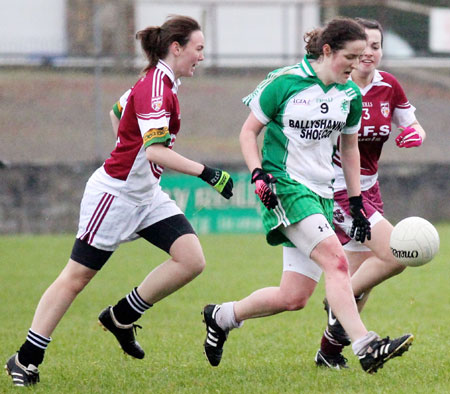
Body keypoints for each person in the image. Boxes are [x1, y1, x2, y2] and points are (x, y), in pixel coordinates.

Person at [5, 15, 234, 387]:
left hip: (145, 196)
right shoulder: (156, 87)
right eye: (199, 49)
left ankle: (121, 315)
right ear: (177, 48)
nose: (202, 57)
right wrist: (206, 172)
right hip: (115, 197)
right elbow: (156, 152)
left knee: (191, 259)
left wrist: (130, 152)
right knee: (76, 277)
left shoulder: (163, 82)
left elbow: (117, 113)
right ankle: (25, 358)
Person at [202, 17, 413, 374]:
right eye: (351, 56)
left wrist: (358, 204)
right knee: (337, 262)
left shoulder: (349, 96)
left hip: (323, 194)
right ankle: (366, 345)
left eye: (363, 55)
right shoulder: (285, 82)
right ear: (328, 51)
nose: (357, 63)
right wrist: (258, 174)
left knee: (293, 297)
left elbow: (349, 150)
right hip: (285, 187)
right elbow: (247, 132)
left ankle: (221, 316)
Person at [314, 17, 426, 370]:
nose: (369, 54)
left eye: (376, 47)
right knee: (397, 254)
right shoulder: (335, 88)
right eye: (363, 48)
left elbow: (412, 124)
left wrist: (415, 135)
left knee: (363, 280)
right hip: (339, 191)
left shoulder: (389, 86)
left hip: (370, 188)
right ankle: (339, 302)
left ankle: (329, 352)